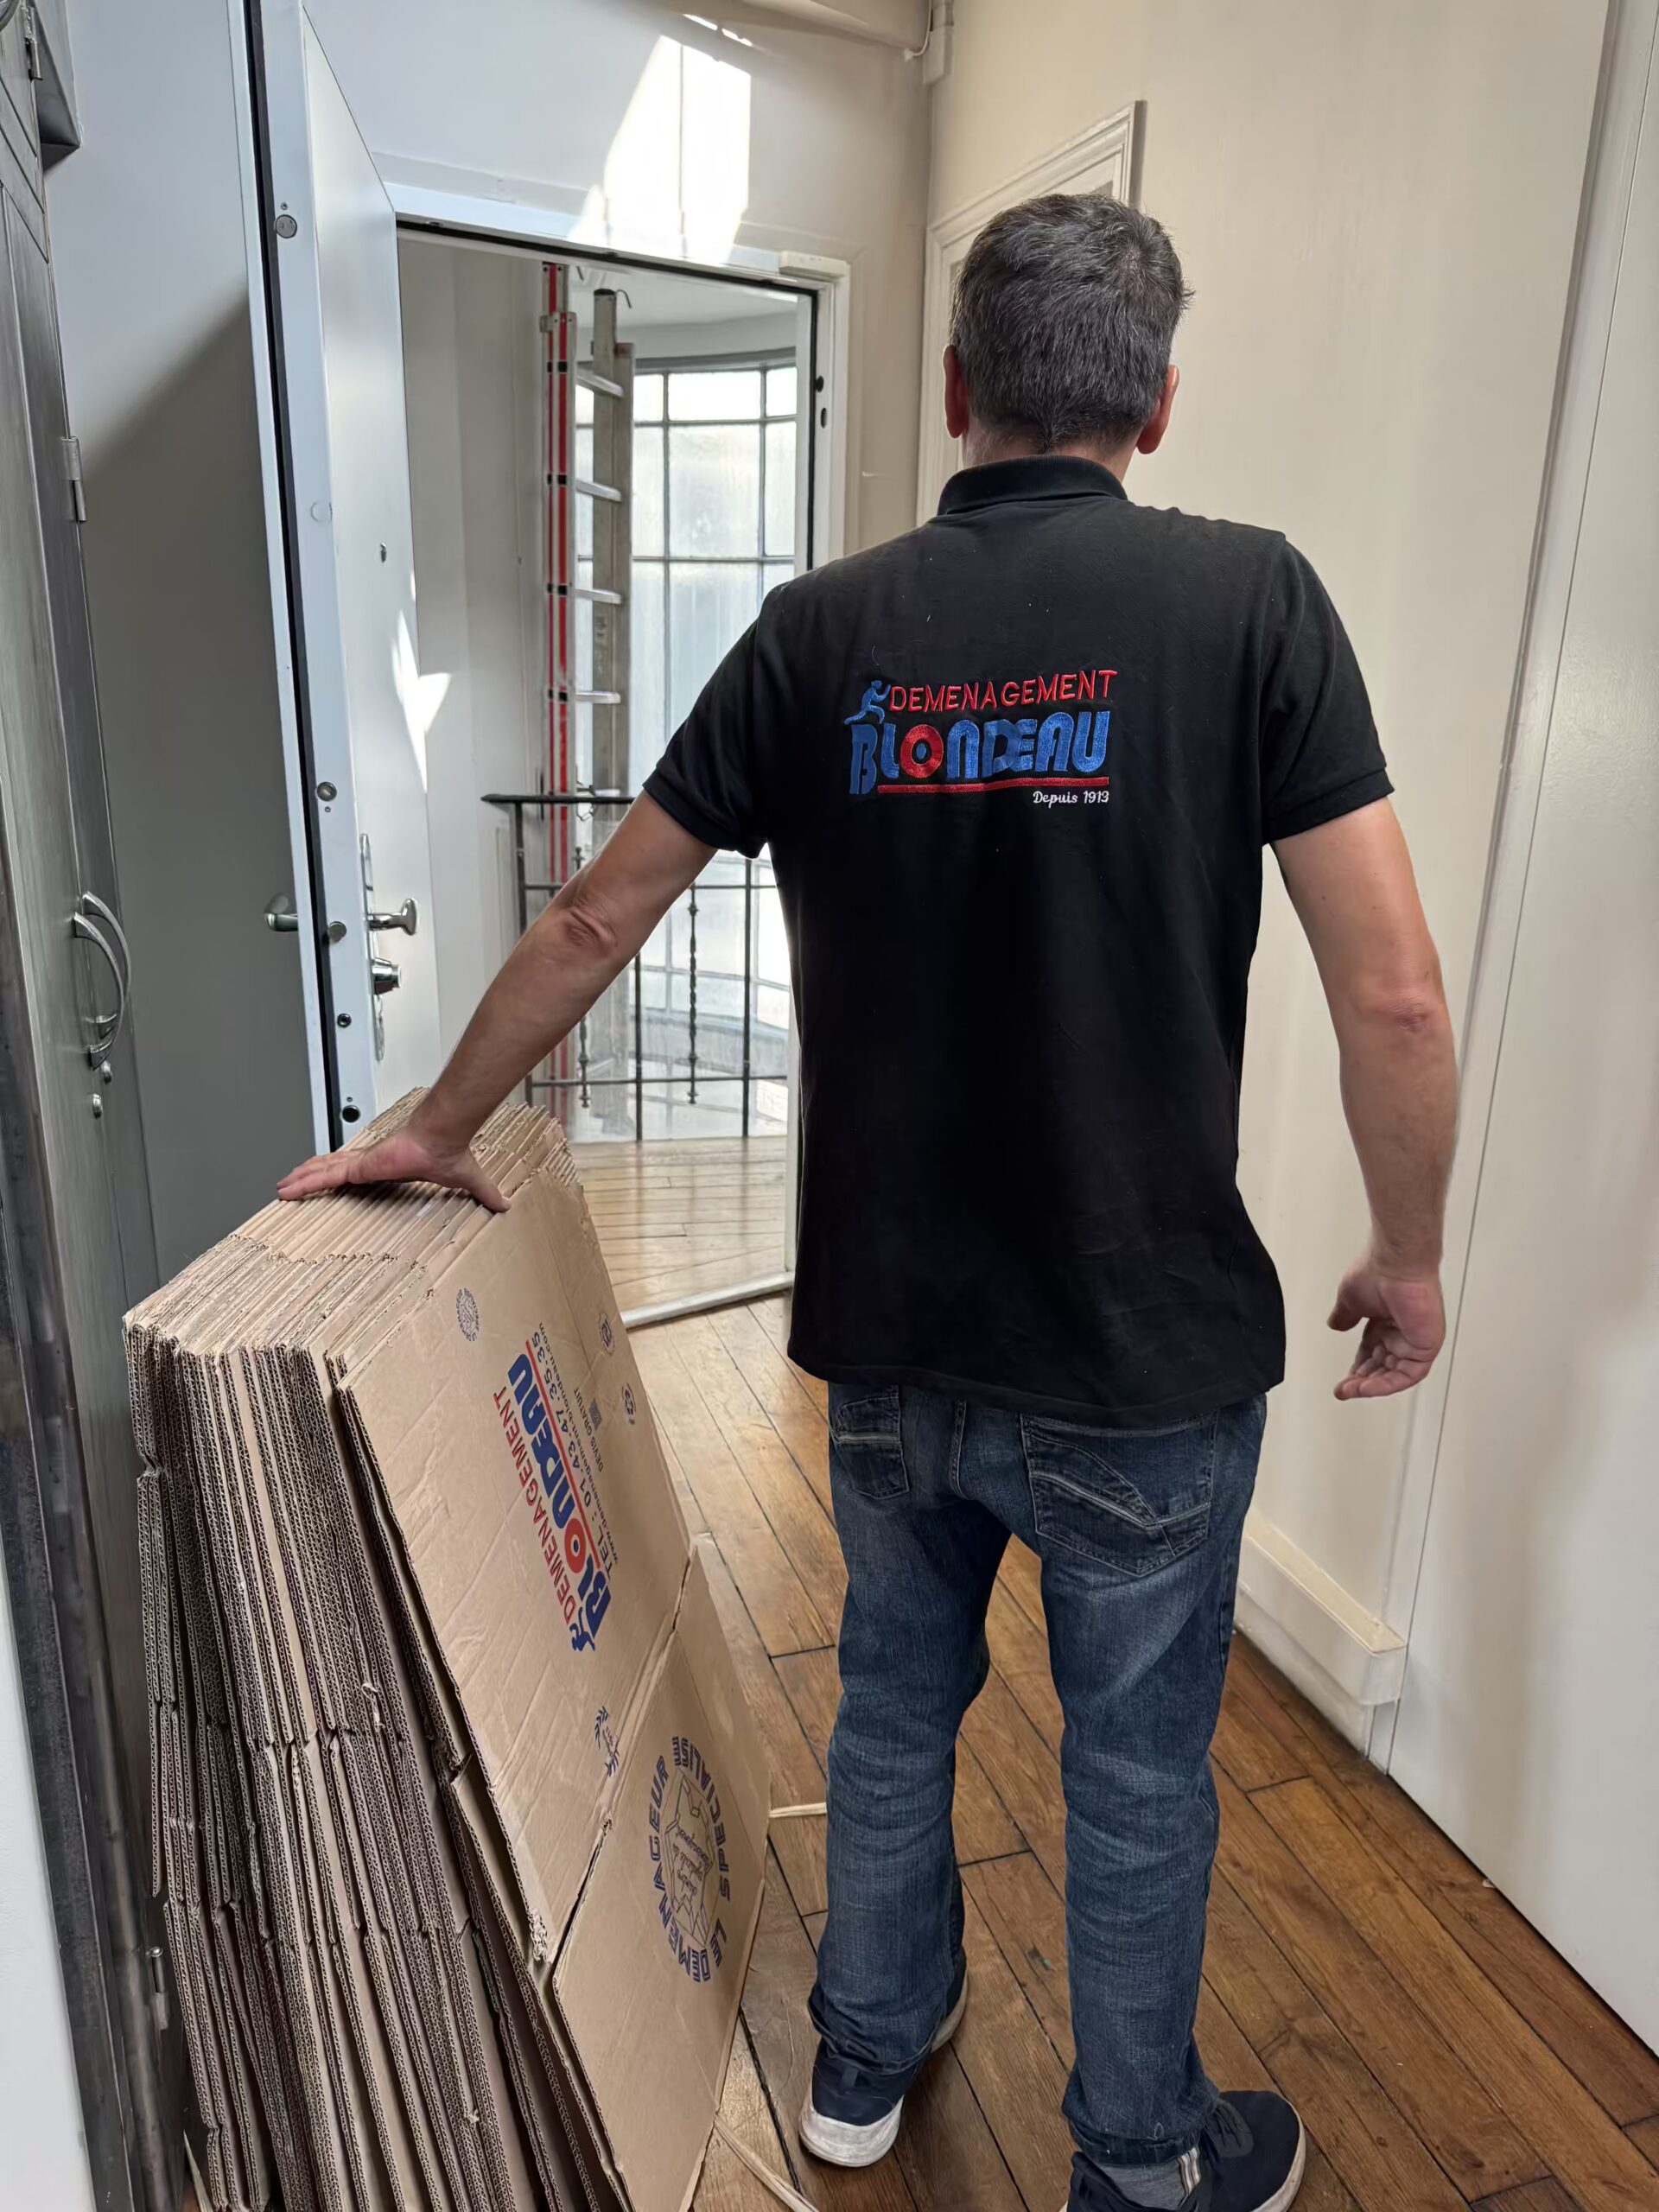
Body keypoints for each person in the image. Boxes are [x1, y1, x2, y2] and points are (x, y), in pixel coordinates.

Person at [280, 194, 1457, 2212]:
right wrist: (1409, 1250)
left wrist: (436, 1119)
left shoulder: (819, 633)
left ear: (956, 387)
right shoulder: (1252, 601)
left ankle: (859, 2053)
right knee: (1136, 1767)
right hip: (1143, 1348)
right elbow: (1397, 993)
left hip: (896, 1329)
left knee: (896, 1701)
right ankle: (1143, 2157)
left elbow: (594, 915)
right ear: (1159, 404)